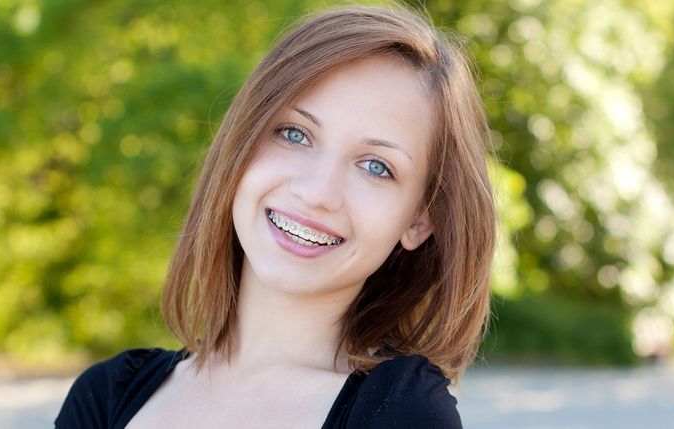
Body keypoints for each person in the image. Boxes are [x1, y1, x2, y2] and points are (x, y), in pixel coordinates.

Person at [55, 4, 495, 428]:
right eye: (294, 133)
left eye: (375, 166)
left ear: (419, 221)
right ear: (241, 144)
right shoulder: (106, 397)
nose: (316, 192)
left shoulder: (402, 414)